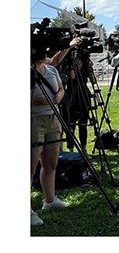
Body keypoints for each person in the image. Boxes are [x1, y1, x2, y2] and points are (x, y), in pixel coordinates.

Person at [32, 49, 68, 225]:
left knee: (51, 163)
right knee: (29, 168)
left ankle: (50, 201)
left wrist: (60, 95)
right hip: (32, 120)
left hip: (54, 118)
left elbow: (60, 88)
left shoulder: (51, 69)